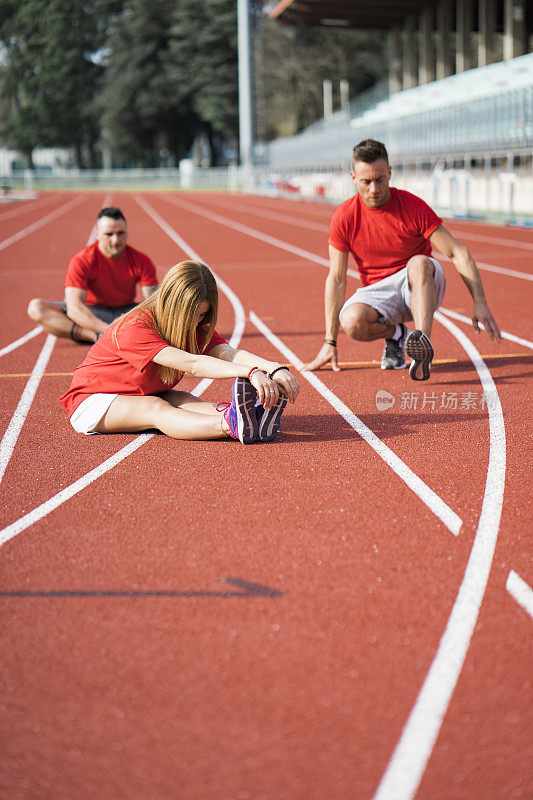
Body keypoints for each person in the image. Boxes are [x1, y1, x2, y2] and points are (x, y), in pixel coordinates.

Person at [307, 139, 501, 380]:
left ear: (389, 173)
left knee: (419, 263)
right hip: (378, 292)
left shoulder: (412, 206)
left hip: (419, 283)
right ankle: (398, 335)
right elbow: (336, 278)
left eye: (380, 179)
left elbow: (456, 252)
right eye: (366, 182)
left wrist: (479, 301)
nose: (374, 189)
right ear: (353, 178)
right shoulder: (344, 216)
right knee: (351, 320)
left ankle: (422, 345)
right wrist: (330, 341)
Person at [59, 260, 300, 444]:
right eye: (193, 313)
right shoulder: (134, 327)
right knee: (155, 409)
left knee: (184, 400)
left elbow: (228, 353)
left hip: (139, 392)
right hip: (92, 400)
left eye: (204, 314)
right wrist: (252, 373)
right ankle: (231, 424)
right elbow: (192, 363)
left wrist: (273, 368)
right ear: (173, 304)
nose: (198, 322)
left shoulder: (193, 325)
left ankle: (253, 416)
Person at [28, 207, 158, 343]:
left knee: (162, 309)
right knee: (36, 307)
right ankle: (95, 337)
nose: (116, 240)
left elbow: (154, 302)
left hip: (125, 313)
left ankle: (111, 336)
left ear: (127, 232)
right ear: (97, 234)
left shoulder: (141, 260)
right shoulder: (82, 260)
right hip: (91, 314)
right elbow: (74, 308)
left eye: (121, 233)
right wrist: (109, 330)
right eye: (109, 234)